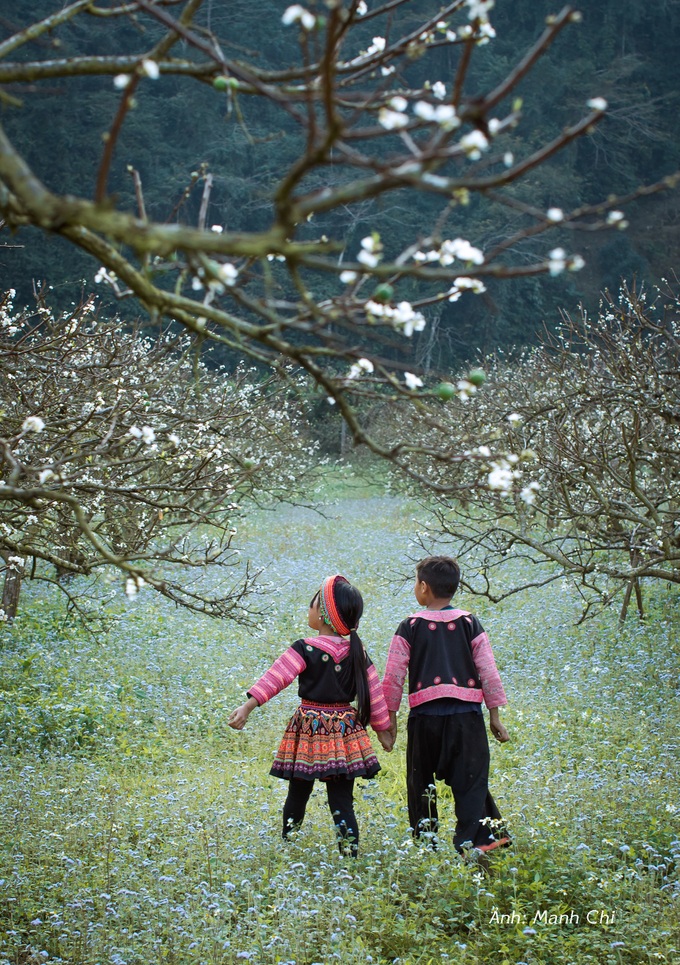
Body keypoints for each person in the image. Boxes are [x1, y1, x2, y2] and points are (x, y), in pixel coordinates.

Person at [229, 574, 393, 855]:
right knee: (342, 801)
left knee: (298, 793)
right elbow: (374, 693)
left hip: (308, 730)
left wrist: (248, 706)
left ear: (325, 615)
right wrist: (383, 729)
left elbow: (276, 677)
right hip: (345, 731)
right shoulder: (357, 651)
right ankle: (350, 857)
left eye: (312, 605)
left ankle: (288, 847)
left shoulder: (304, 647)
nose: (309, 610)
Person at [382, 555, 510, 854]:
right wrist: (495, 716)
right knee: (471, 783)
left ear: (424, 587)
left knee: (420, 784)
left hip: (425, 720)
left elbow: (393, 676)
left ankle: (426, 844)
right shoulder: (469, 623)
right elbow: (488, 671)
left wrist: (390, 721)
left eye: (416, 583)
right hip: (467, 719)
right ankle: (477, 844)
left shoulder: (409, 626)